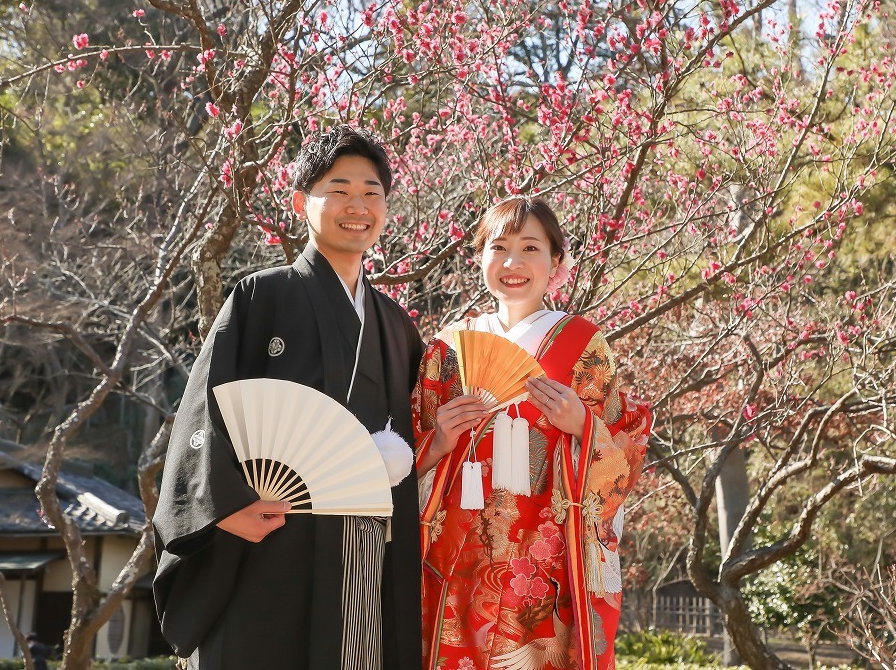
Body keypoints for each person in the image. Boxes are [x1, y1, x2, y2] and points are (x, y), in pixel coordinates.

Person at [153, 125, 425, 670]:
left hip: (365, 546)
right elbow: (205, 406)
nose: (358, 206)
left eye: (371, 193)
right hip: (270, 535)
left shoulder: (395, 324)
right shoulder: (262, 296)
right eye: (339, 190)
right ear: (302, 202)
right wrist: (223, 509)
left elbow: (412, 428)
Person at [414, 197, 652, 670]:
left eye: (530, 248)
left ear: (555, 260)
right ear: (479, 257)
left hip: (544, 555)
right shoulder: (448, 347)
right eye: (498, 248)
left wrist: (583, 425)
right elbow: (411, 439)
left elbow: (624, 445)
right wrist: (437, 442)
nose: (513, 263)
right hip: (456, 550)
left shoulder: (582, 343)